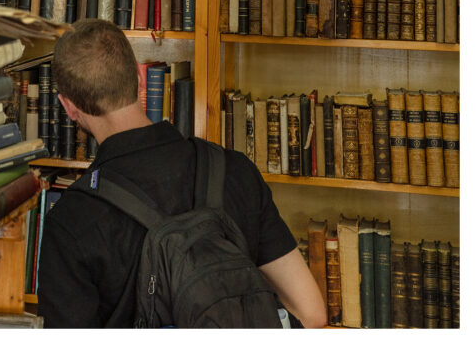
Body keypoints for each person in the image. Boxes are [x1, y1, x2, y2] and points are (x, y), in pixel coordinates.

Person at [37, 18, 327, 329]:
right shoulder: (234, 170)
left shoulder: (71, 220)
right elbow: (311, 313)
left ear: (68, 107)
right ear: (139, 77)